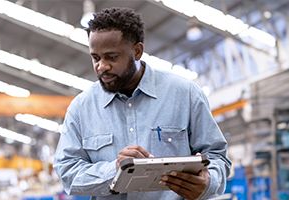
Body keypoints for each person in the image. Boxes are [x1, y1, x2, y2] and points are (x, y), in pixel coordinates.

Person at [53, 7, 231, 200]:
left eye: (112, 57)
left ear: (137, 51)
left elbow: (217, 155)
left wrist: (209, 181)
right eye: (95, 58)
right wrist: (114, 170)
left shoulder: (185, 94)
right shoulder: (81, 108)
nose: (102, 66)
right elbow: (67, 171)